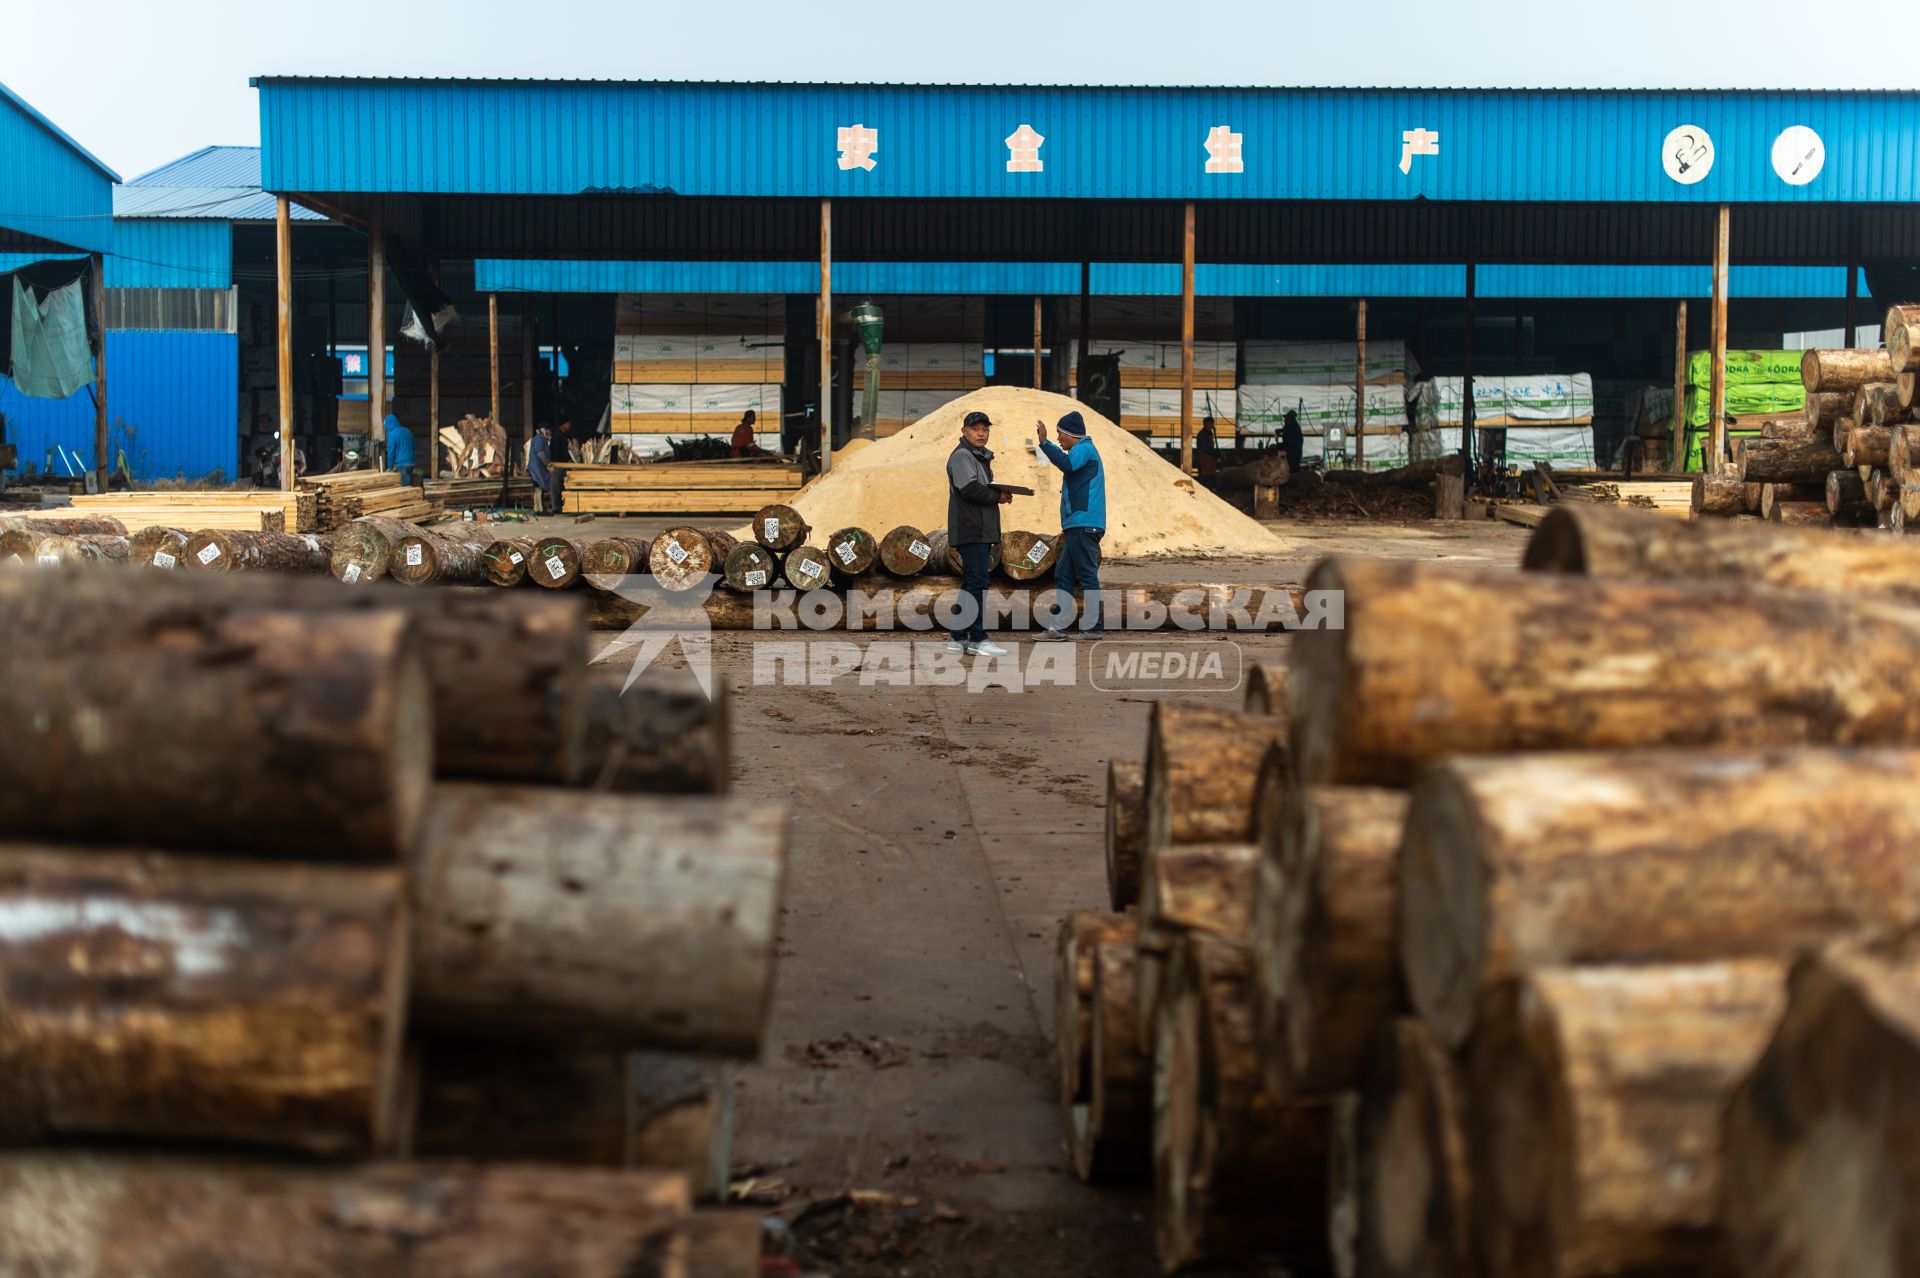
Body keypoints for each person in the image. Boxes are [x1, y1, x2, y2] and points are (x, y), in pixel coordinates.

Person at [1035, 410, 1107, 640]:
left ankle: (1094, 628)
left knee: (1086, 575)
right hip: (1078, 523)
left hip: (1084, 523)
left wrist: (1044, 443)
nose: (1058, 438)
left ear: (1070, 433)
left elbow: (1067, 464)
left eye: (1059, 434)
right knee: (1063, 573)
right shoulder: (1083, 449)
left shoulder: (1083, 449)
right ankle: (1059, 627)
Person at [946, 409, 1012, 657]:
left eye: (985, 429)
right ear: (964, 431)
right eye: (976, 429)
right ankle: (978, 638)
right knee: (977, 583)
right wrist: (997, 496)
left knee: (972, 583)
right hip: (971, 528)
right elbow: (970, 489)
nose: (981, 433)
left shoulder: (979, 457)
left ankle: (958, 636)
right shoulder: (963, 455)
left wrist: (1000, 494)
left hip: (978, 529)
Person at [529, 421, 561, 514]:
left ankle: (536, 509)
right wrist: (548, 464)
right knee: (540, 488)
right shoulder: (540, 439)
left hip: (534, 467)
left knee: (537, 488)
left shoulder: (536, 438)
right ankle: (541, 509)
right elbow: (540, 453)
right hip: (538, 468)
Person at [382, 412, 415, 487]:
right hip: (411, 463)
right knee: (410, 484)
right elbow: (413, 447)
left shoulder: (392, 434)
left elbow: (391, 452)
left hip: (402, 464)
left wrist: (390, 467)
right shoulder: (408, 431)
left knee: (404, 487)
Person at [1194, 416, 1220, 488]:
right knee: (1206, 480)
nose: (1212, 426)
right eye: (1211, 424)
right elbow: (1205, 448)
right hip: (1204, 461)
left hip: (1210, 462)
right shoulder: (1202, 434)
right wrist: (1216, 453)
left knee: (1210, 479)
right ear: (1206, 424)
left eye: (1213, 424)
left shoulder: (1209, 433)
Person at [1280, 409, 1304, 474]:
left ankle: (1295, 479)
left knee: (1293, 467)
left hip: (1294, 452)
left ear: (1290, 419)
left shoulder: (1293, 427)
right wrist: (1280, 431)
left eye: (1286, 418)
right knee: (1291, 466)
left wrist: (1282, 446)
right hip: (1292, 451)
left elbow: (1291, 440)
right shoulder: (1290, 425)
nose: (1285, 420)